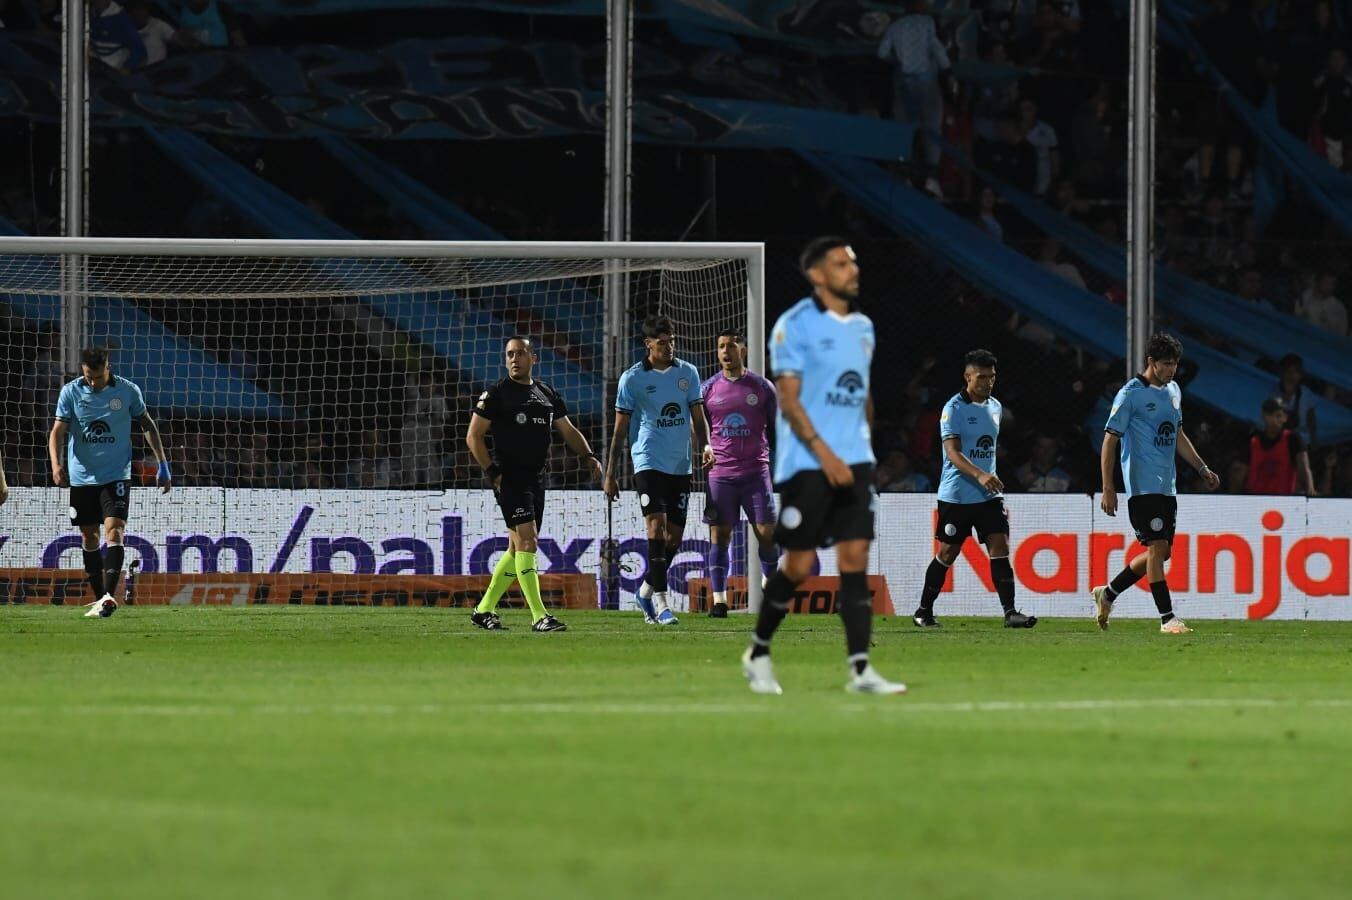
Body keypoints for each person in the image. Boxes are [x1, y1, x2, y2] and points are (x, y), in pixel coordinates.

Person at [741, 237, 906, 695]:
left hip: (855, 463)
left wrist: (864, 451)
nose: (852, 270)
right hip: (808, 464)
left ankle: (860, 670)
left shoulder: (864, 328)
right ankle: (757, 651)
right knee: (796, 566)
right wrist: (826, 454)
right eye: (840, 264)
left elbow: (861, 395)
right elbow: (789, 402)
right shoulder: (793, 325)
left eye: (853, 262)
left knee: (854, 561)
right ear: (817, 274)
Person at [466, 336, 603, 632]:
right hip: (510, 478)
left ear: (533, 358)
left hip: (536, 479)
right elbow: (473, 436)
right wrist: (493, 472)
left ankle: (483, 609)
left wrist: (588, 455)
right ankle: (539, 616)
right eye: (509, 354)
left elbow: (568, 429)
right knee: (529, 540)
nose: (514, 359)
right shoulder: (496, 394)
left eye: (520, 353)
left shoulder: (546, 393)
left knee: (516, 550)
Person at [1092, 334, 1219, 635]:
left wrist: (1201, 467)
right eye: (1166, 364)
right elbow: (1109, 441)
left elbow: (1177, 434)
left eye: (1175, 364)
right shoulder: (1130, 394)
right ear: (1150, 362)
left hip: (1167, 485)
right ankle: (1167, 618)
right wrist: (1108, 487)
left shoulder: (1174, 391)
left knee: (1160, 554)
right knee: (1158, 547)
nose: (1172, 370)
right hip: (1141, 486)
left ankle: (1107, 593)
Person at [913, 350, 1037, 629]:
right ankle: (923, 610)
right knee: (948, 553)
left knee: (1000, 546)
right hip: (957, 495)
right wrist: (980, 475)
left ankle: (1010, 613)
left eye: (992, 377)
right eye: (981, 377)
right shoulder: (953, 409)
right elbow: (953, 452)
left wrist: (988, 477)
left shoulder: (995, 407)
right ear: (968, 377)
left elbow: (986, 448)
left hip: (988, 495)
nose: (987, 382)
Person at [603, 316, 711, 625]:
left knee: (674, 539)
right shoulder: (632, 379)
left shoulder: (687, 372)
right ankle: (663, 605)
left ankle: (646, 589)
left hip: (680, 464)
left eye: (671, 341)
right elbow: (620, 430)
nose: (668, 347)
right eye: (661, 342)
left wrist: (705, 446)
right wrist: (610, 473)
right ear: (647, 345)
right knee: (656, 529)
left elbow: (698, 417)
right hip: (647, 461)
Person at [48, 348, 171, 618]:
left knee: (114, 531)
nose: (93, 382)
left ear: (108, 367)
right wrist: (56, 465)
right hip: (81, 477)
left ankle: (107, 597)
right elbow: (57, 430)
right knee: (88, 536)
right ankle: (100, 598)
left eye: (97, 376)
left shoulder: (127, 391)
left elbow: (147, 425)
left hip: (116, 475)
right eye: (88, 376)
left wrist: (163, 464)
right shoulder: (71, 391)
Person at [701, 329, 778, 618]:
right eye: (721, 346)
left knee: (767, 534)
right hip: (720, 474)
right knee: (719, 537)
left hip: (756, 473)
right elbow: (700, 428)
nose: (725, 351)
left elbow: (777, 426)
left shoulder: (761, 387)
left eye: (730, 346)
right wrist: (704, 446)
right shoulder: (707, 389)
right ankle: (719, 601)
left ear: (742, 350)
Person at [1246, 397, 1316, 496]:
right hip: (1257, 500)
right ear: (1263, 416)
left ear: (1285, 417)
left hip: (1284, 500)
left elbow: (1304, 468)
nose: (1274, 419)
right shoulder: (1254, 442)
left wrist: (1310, 491)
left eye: (1278, 415)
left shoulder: (1293, 439)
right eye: (1270, 415)